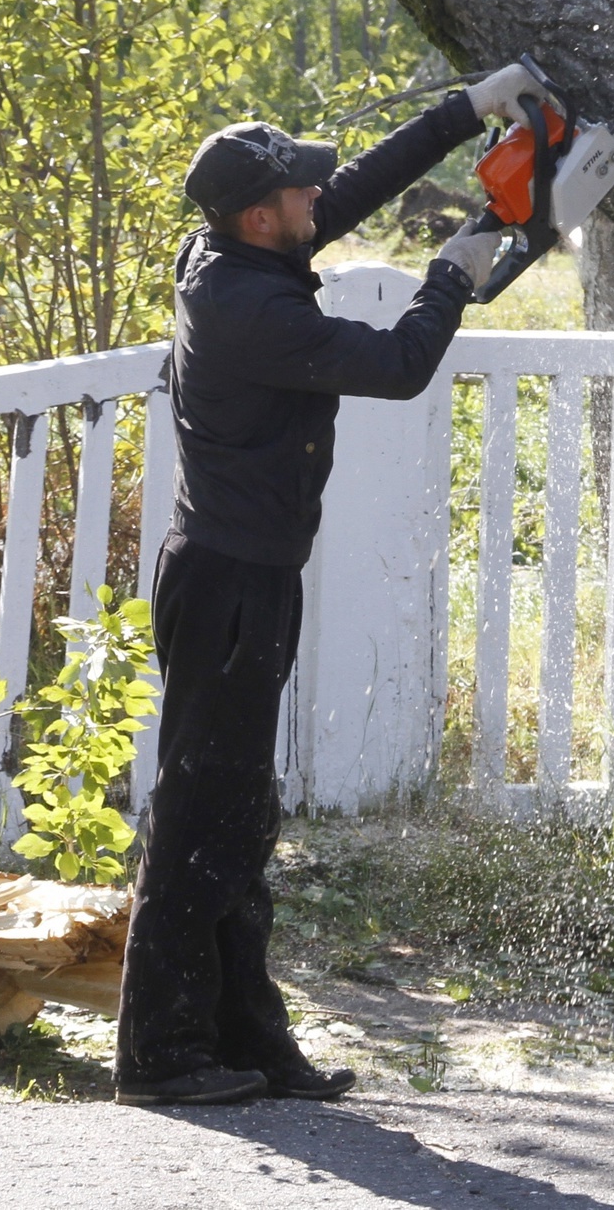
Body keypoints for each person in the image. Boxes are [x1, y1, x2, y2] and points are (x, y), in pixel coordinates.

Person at [113, 63, 549, 1107]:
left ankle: (247, 1043)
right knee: (198, 819)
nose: (323, 199)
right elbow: (398, 366)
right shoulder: (245, 308)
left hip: (242, 575)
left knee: (239, 814)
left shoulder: (237, 245)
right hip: (225, 585)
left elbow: (350, 185)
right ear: (262, 217)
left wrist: (473, 105)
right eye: (301, 192)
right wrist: (452, 272)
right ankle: (160, 1058)